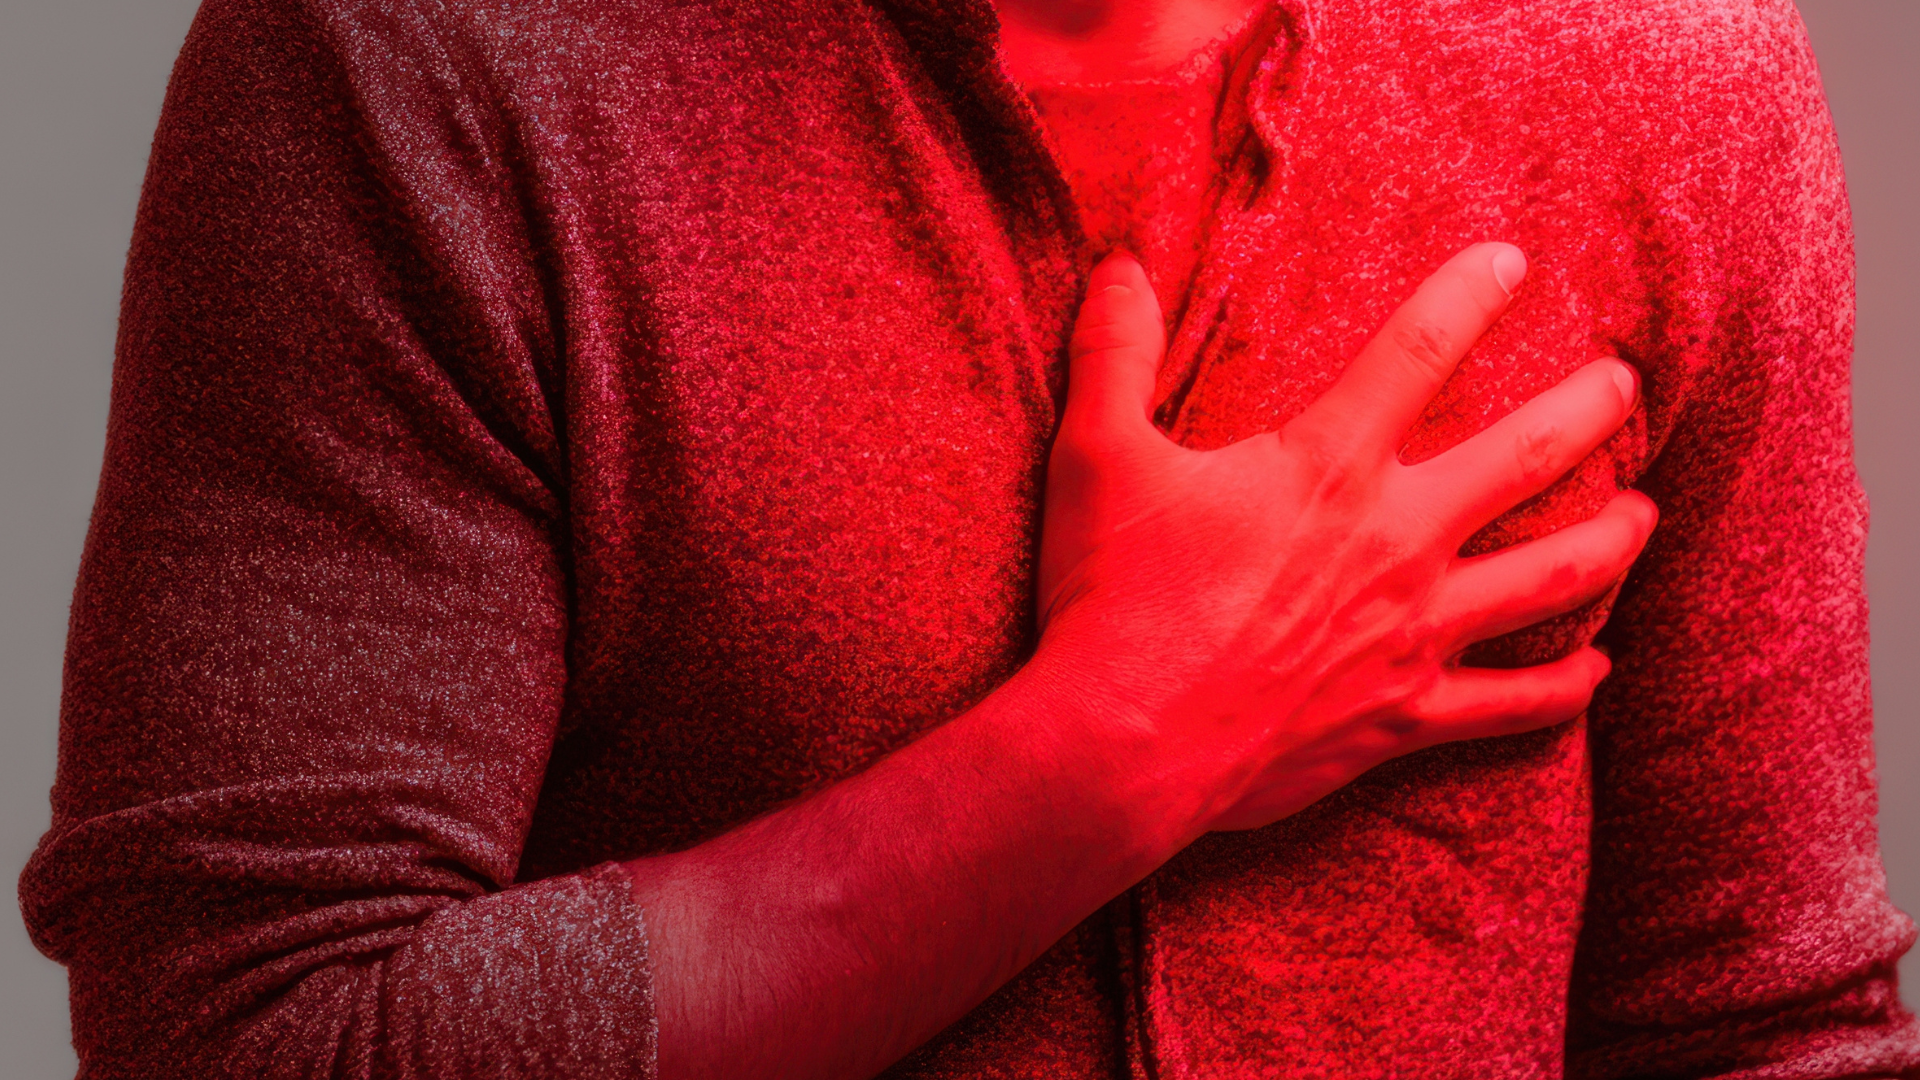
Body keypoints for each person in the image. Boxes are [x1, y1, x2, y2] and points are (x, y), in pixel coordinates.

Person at [17, 0, 1917, 1077]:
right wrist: (1105, 759)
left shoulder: (1669, 78)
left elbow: (1763, 1030)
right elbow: (247, 1045)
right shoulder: (416, 64)